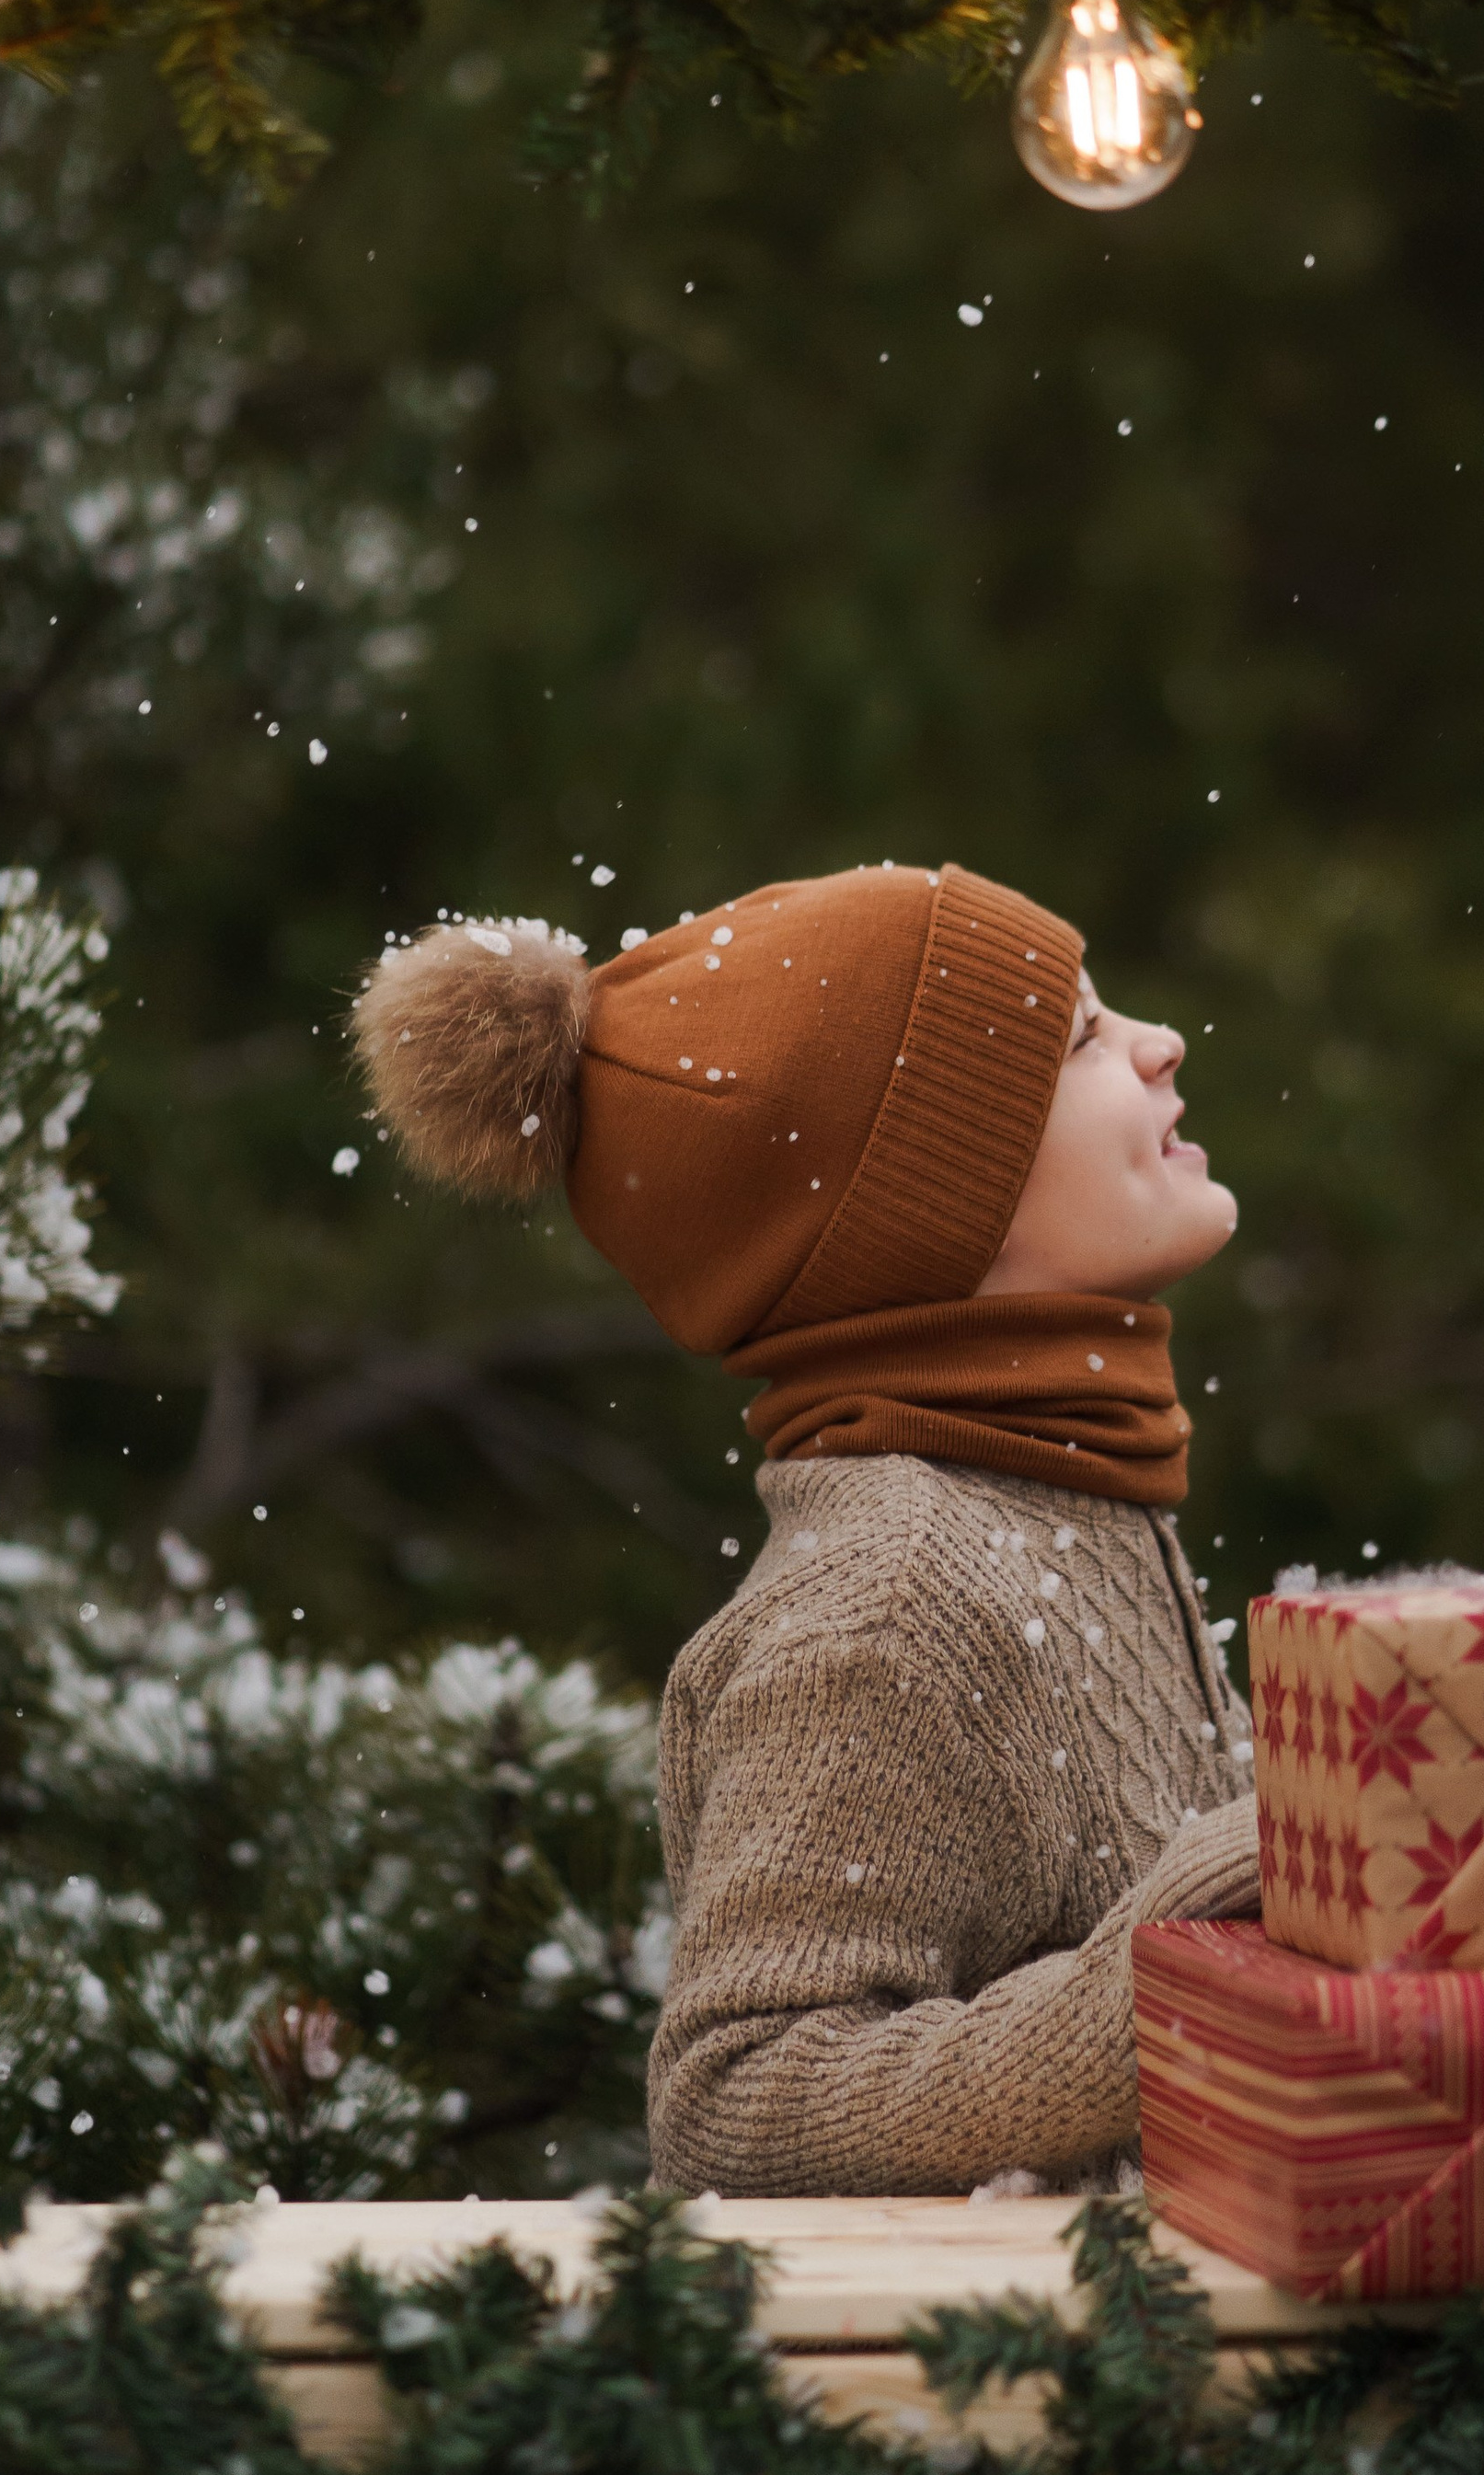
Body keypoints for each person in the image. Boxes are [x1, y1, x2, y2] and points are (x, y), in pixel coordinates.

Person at [351, 858, 1258, 2197]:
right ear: (927, 1207)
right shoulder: (890, 1607)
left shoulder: (1064, 1495)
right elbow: (739, 2111)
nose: (1158, 1042)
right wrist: (1188, 1964)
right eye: (1077, 1037)